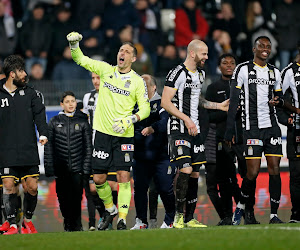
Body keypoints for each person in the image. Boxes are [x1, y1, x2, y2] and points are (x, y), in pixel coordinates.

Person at [67, 31, 150, 230]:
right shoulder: (105, 70)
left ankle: (121, 218)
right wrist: (74, 45)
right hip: (103, 133)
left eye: (127, 51)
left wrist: (131, 118)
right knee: (98, 180)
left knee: (123, 177)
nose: (122, 53)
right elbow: (81, 59)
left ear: (133, 58)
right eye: (121, 50)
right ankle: (110, 208)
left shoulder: (137, 81)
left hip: (124, 135)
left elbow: (145, 108)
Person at [225, 36, 300, 225]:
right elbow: (234, 101)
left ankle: (274, 215)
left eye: (268, 46)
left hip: (272, 128)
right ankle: (241, 206)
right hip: (252, 128)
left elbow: (279, 99)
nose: (265, 49)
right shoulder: (242, 69)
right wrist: (230, 130)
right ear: (254, 49)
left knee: (275, 169)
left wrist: (280, 106)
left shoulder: (275, 72)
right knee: (253, 172)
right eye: (262, 46)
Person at [161, 39, 229, 229]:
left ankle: (189, 218)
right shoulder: (177, 73)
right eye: (204, 54)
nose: (206, 57)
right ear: (192, 53)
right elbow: (165, 102)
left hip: (195, 130)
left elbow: (196, 99)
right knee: (186, 169)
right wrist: (186, 119)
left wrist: (218, 106)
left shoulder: (200, 74)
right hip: (179, 128)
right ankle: (177, 217)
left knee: (194, 174)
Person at [0, 55, 48, 235]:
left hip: (28, 148)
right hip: (6, 150)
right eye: (21, 71)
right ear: (12, 74)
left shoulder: (32, 94)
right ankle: (12, 224)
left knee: (32, 187)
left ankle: (27, 221)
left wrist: (43, 133)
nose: (25, 74)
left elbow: (40, 117)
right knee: (8, 185)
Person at [131, 74, 176, 230]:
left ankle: (170, 219)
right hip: (140, 156)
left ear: (153, 87)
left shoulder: (162, 103)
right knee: (140, 190)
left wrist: (152, 128)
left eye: (144, 85)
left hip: (161, 156)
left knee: (165, 188)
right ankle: (141, 221)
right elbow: (132, 129)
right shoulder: (134, 105)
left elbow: (164, 123)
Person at [44, 91, 92, 232]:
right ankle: (68, 223)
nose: (71, 104)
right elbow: (49, 146)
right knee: (63, 200)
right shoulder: (54, 122)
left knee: (77, 198)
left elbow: (88, 147)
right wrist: (49, 167)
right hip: (61, 168)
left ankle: (77, 226)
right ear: (62, 104)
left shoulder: (83, 122)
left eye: (73, 101)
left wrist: (86, 168)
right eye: (67, 101)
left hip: (78, 168)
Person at [205, 53, 244, 225]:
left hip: (242, 138)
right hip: (221, 139)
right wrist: (226, 112)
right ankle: (228, 215)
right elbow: (209, 116)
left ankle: (246, 211)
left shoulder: (242, 86)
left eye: (232, 63)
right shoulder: (213, 88)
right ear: (219, 66)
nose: (229, 65)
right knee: (226, 180)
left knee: (248, 176)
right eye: (225, 63)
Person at [82, 72, 116, 231]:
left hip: (112, 144)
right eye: (93, 78)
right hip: (95, 147)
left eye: (99, 78)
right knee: (94, 187)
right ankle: (105, 215)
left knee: (114, 185)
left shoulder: (115, 95)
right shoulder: (87, 97)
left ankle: (113, 217)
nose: (96, 81)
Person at [279, 41, 300, 222]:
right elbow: (278, 99)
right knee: (296, 172)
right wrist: (287, 119)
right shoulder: (289, 72)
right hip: (298, 129)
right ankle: (296, 213)